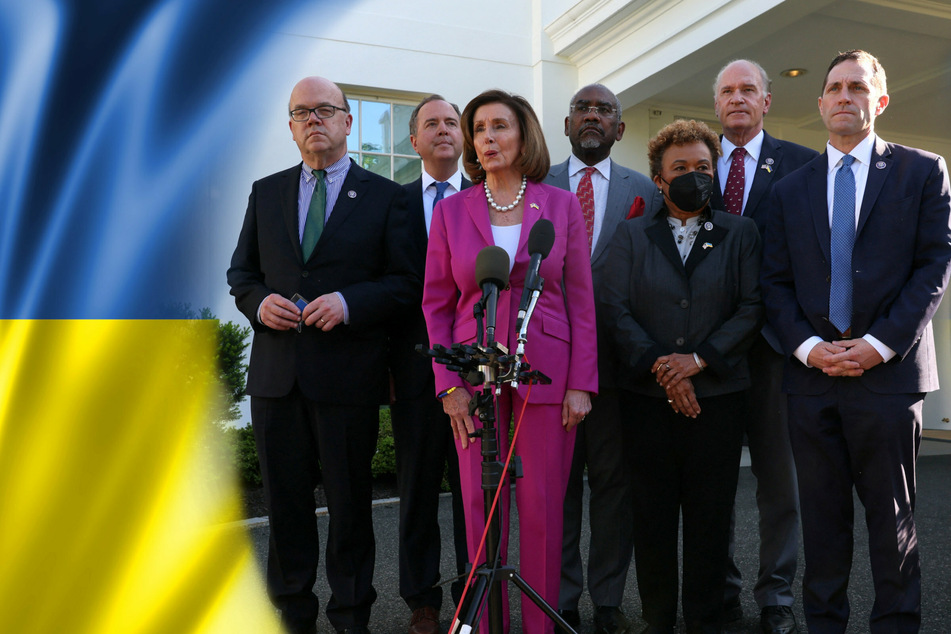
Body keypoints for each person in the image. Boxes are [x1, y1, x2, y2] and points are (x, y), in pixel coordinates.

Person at [760, 50, 951, 632]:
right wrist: (809, 349)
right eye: (835, 88)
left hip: (889, 379)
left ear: (880, 101)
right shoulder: (789, 190)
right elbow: (773, 281)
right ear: (820, 105)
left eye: (858, 88)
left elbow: (934, 266)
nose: (846, 97)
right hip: (811, 381)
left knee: (892, 523)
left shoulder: (923, 171)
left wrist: (879, 343)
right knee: (821, 524)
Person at [227, 76, 419, 634]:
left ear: (347, 121)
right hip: (276, 378)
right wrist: (259, 304)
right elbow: (242, 274)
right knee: (284, 508)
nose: (314, 119)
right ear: (290, 127)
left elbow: (406, 282)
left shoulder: (387, 196)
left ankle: (352, 615)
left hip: (347, 378)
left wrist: (349, 302)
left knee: (351, 505)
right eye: (301, 112)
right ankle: (292, 615)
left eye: (325, 110)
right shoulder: (265, 192)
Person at [422, 88, 598, 634]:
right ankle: (489, 625)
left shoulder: (561, 204)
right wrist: (448, 385)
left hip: (546, 374)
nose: (487, 138)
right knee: (479, 507)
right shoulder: (451, 211)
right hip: (472, 377)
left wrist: (581, 384)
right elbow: (436, 302)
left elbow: (579, 298)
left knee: (544, 512)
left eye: (499, 126)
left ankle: (539, 627)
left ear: (524, 135)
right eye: (479, 129)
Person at [599, 119, 763, 634]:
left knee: (711, 519)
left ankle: (705, 621)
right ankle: (658, 621)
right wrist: (663, 367)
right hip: (646, 399)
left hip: (718, 396)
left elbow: (751, 307)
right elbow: (616, 308)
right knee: (651, 517)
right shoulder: (631, 234)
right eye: (681, 168)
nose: (694, 176)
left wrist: (697, 362)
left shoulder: (741, 232)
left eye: (703, 167)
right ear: (659, 179)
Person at [544, 83, 662, 634]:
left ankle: (608, 600)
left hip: (618, 369)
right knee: (558, 486)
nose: (593, 116)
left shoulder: (646, 191)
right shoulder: (533, 186)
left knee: (614, 487)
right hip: (547, 366)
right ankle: (561, 598)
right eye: (582, 109)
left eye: (605, 110)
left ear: (619, 128)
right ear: (567, 125)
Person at [710, 59, 819, 634]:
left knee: (781, 482)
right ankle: (720, 589)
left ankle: (776, 595)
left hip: (777, 352)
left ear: (766, 101)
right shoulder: (695, 166)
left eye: (747, 89)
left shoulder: (803, 165)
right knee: (716, 481)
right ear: (717, 103)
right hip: (710, 353)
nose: (737, 99)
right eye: (726, 91)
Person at [388, 94, 470, 634]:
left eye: (451, 122)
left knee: (472, 491)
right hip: (413, 376)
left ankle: (471, 592)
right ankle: (422, 601)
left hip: (473, 372)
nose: (443, 130)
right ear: (413, 141)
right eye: (430, 124)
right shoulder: (388, 205)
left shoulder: (491, 201)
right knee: (416, 490)